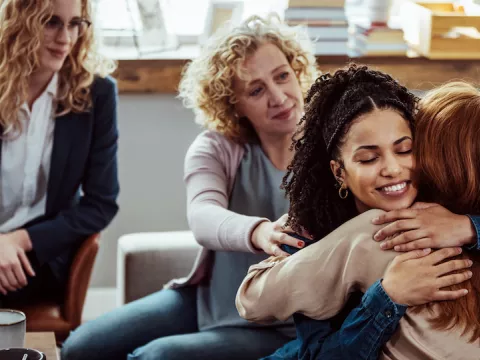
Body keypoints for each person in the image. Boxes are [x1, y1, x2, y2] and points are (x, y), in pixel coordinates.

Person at [61, 15, 318, 360]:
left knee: (155, 357)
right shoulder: (216, 148)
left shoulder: (331, 146)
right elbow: (202, 215)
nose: (279, 97)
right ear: (233, 104)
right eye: (256, 90)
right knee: (80, 347)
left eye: (282, 76)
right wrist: (259, 232)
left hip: (284, 325)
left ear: (296, 70)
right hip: (209, 301)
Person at [236, 67, 479, 359]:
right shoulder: (316, 232)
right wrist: (388, 296)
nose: (391, 169)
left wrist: (469, 227)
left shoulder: (442, 214)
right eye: (368, 158)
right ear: (339, 171)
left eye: (404, 150)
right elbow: (314, 350)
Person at [0, 0, 119, 306]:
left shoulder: (98, 94)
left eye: (75, 24)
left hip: (40, 255)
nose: (65, 38)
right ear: (20, 21)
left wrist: (17, 241)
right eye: (51, 22)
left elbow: (100, 204)